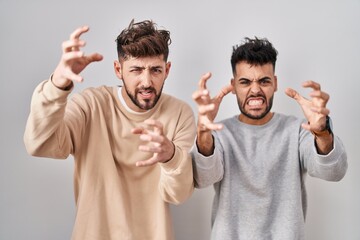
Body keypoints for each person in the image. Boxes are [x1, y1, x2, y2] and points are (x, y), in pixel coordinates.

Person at [24, 19, 196, 240]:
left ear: (167, 70)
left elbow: (178, 195)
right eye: (136, 69)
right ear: (118, 69)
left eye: (155, 70)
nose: (146, 81)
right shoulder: (91, 105)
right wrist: (57, 86)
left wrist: (171, 155)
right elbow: (40, 145)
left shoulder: (179, 113)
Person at [191, 37, 348, 239]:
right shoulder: (220, 133)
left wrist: (322, 132)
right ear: (233, 86)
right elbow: (203, 179)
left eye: (264, 81)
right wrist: (203, 132)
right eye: (245, 82)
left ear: (275, 83)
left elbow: (334, 172)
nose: (255, 90)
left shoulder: (298, 130)